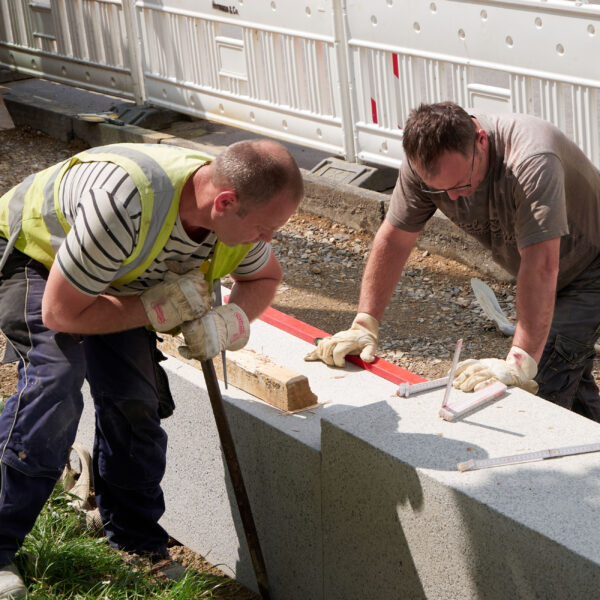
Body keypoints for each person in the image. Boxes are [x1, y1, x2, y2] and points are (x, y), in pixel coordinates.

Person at [0, 139, 303, 598]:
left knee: (135, 398)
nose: (268, 238)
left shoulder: (233, 223)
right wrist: (153, 310)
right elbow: (60, 314)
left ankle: (134, 541)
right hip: (36, 259)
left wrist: (231, 319)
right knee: (56, 379)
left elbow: (264, 277)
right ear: (225, 203)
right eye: (265, 227)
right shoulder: (127, 207)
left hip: (114, 275)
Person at [306, 101, 600, 421]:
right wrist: (365, 322)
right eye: (438, 190)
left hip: (591, 267)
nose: (454, 198)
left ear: (481, 140)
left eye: (461, 184)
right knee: (567, 373)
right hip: (552, 273)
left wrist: (519, 360)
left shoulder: (530, 160)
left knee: (536, 387)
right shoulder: (426, 166)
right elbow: (394, 241)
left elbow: (542, 266)